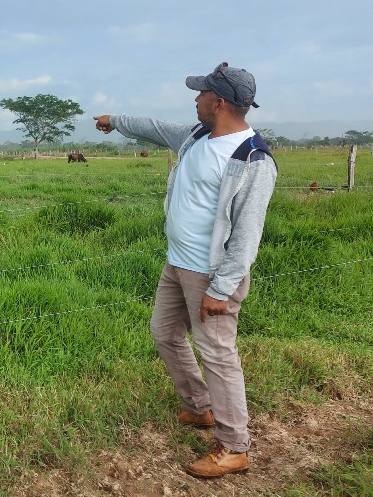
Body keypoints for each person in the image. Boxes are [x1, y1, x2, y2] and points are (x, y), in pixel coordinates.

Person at [93, 62, 277, 478]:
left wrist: (223, 287)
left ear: (219, 102)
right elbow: (154, 126)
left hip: (210, 275)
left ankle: (234, 447)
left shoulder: (251, 159)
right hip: (177, 263)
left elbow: (247, 234)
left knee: (218, 354)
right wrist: (115, 121)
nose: (194, 100)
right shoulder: (196, 137)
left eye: (200, 94)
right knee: (164, 332)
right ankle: (199, 408)